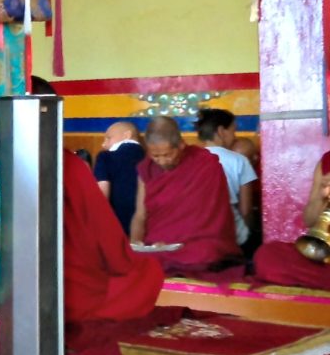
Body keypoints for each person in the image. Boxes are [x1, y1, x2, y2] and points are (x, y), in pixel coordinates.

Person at [129, 115, 241, 272]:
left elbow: (213, 219)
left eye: (167, 155)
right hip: (156, 245)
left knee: (207, 253)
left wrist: (172, 242)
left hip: (194, 244)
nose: (162, 161)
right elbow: (140, 214)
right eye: (155, 156)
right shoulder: (146, 169)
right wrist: (135, 243)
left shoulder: (205, 164)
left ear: (181, 145)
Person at [64, 148, 163, 322]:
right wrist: (123, 255)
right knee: (143, 274)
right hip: (66, 278)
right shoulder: (68, 164)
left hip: (16, 276)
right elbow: (100, 221)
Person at [252, 149, 330, 290]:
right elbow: (309, 221)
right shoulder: (326, 162)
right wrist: (321, 195)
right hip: (323, 256)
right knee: (268, 255)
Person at [196, 108, 257, 248]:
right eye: (233, 131)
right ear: (221, 131)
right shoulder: (239, 161)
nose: (234, 137)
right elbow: (246, 210)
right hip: (229, 233)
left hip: (196, 232)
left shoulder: (188, 160)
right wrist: (252, 233)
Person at [93, 121, 144, 235]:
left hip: (117, 225)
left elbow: (102, 194)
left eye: (108, 138)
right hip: (148, 226)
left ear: (127, 135)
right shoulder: (151, 157)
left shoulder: (106, 157)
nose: (104, 144)